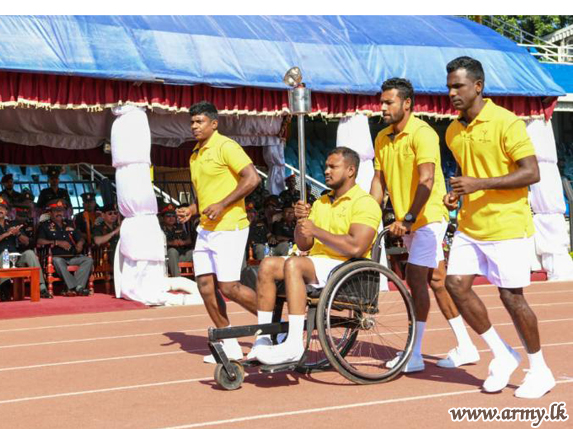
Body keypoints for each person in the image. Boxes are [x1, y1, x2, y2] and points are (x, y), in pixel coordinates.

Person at [443, 56, 554, 399]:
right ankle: (502, 352)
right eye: (449, 87)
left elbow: (531, 173)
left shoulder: (507, 123)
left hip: (507, 225)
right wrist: (457, 192)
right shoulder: (452, 130)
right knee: (455, 285)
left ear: (478, 86)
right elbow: (470, 173)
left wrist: (480, 184)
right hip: (470, 224)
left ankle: (541, 370)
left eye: (458, 86)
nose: (452, 93)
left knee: (511, 297)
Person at [370, 77, 478, 373]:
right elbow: (378, 182)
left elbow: (427, 180)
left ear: (406, 103)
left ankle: (413, 354)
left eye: (388, 102)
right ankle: (466, 346)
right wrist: (367, 216)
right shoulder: (382, 138)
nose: (382, 107)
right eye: (382, 102)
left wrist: (407, 219)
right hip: (408, 220)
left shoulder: (423, 133)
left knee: (416, 278)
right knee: (437, 281)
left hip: (429, 217)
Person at [252, 147, 381, 364]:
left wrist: (316, 230)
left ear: (351, 170)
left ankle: (293, 342)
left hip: (347, 266)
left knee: (294, 264)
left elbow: (356, 247)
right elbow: (305, 243)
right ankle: (263, 339)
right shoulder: (321, 202)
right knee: (267, 264)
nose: (326, 171)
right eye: (326, 167)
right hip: (317, 262)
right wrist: (300, 223)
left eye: (333, 167)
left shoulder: (365, 202)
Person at [176, 100, 261, 363]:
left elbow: (252, 178)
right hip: (206, 229)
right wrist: (192, 209)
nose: (194, 126)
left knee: (229, 287)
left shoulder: (226, 146)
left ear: (214, 123)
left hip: (230, 226)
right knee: (205, 286)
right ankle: (229, 343)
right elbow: (206, 195)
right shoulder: (194, 155)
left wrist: (223, 204)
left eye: (199, 121)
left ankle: (276, 323)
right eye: (192, 122)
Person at [0, 196, 52, 300]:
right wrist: (5, 235)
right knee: (4, 255)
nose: (0, 210)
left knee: (30, 253)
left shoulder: (14, 224)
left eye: (2, 208)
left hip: (16, 257)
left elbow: (27, 242)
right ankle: (5, 289)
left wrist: (18, 234)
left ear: (6, 211)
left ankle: (41, 287)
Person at [36, 199, 92, 296]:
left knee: (88, 260)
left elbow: (81, 238)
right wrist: (57, 242)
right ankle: (77, 287)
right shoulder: (45, 225)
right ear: (50, 212)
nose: (59, 213)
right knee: (57, 261)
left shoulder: (70, 223)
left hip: (73, 256)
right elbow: (39, 241)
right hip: (57, 257)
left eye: (61, 210)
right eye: (56, 211)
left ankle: (72, 288)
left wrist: (80, 244)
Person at [161, 204, 193, 277]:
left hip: (181, 255)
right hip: (167, 256)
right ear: (163, 218)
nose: (171, 218)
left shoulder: (179, 226)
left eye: (173, 216)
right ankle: (178, 279)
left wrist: (183, 242)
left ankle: (199, 281)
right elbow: (156, 242)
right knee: (172, 251)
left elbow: (189, 240)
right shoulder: (160, 228)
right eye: (168, 216)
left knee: (194, 253)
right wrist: (171, 243)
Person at [93, 203, 121, 267]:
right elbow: (97, 241)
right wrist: (115, 232)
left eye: (115, 213)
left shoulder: (117, 226)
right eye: (110, 213)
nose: (113, 215)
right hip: (106, 256)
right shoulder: (99, 227)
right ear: (103, 215)